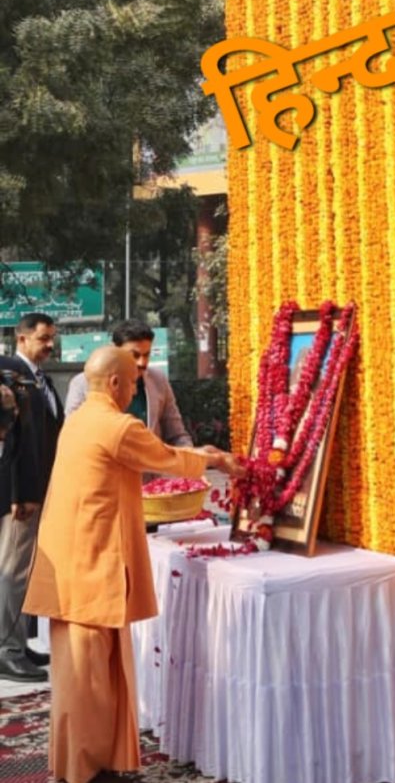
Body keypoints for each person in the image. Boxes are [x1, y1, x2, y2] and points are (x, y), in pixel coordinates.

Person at [24, 343, 242, 783]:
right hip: (90, 566)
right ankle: (83, 771)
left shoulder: (80, 419)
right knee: (87, 679)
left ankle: (95, 763)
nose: (136, 390)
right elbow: (166, 458)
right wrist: (217, 459)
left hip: (78, 562)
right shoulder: (115, 424)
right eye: (134, 383)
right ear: (117, 383)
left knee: (93, 673)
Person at [0, 311, 64, 682]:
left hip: (39, 488)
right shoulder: (10, 375)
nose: (50, 344)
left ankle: (18, 644)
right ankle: (7, 652)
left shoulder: (40, 380)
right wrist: (17, 492)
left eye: (52, 337)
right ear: (22, 338)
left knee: (22, 571)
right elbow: (9, 442)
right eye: (44, 338)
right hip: (19, 493)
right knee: (12, 571)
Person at [65, 318, 192, 447]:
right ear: (115, 350)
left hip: (150, 464)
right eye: (134, 355)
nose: (142, 363)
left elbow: (177, 435)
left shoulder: (158, 380)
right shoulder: (82, 383)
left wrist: (191, 457)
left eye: (146, 355)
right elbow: (72, 435)